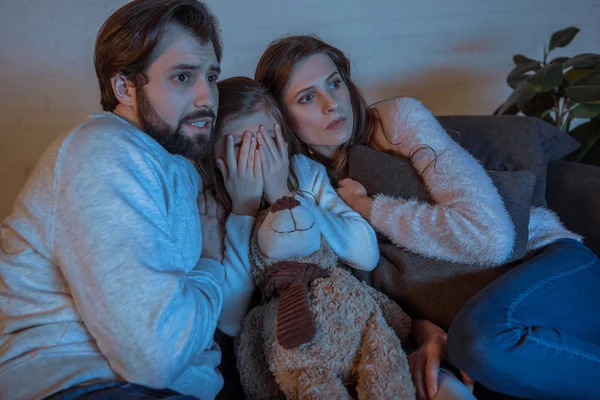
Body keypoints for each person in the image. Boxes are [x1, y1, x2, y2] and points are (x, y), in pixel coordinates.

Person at [255, 34, 600, 399]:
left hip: (549, 265)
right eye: (307, 97)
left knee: (480, 342)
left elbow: (491, 238)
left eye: (334, 83)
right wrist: (426, 330)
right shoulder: (307, 194)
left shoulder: (395, 122)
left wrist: (370, 207)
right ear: (283, 119)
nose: (331, 104)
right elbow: (359, 293)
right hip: (480, 310)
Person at [0, 1, 252, 399]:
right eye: (183, 77)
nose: (207, 96)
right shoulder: (102, 154)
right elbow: (155, 356)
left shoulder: (174, 160)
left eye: (211, 76)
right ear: (125, 88)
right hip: (85, 384)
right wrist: (208, 262)